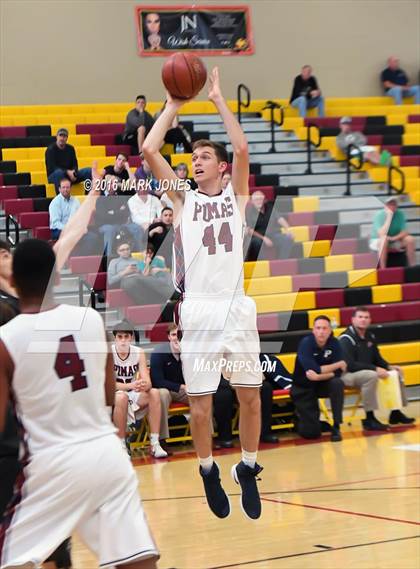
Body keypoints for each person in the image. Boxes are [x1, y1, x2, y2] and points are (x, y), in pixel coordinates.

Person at [143, 67, 264, 520]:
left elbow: (243, 146)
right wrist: (173, 103)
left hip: (236, 306)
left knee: (250, 396)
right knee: (200, 406)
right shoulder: (184, 200)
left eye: (204, 157)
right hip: (199, 309)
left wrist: (217, 98)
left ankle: (248, 468)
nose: (196, 161)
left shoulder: (235, 194)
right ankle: (209, 469)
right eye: (194, 158)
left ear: (221, 167)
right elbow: (149, 148)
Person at [0, 239, 159, 568]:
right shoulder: (91, 320)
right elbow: (106, 392)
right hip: (105, 453)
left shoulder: (6, 339)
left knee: (12, 559)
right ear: (58, 278)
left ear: (12, 281)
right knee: (137, 559)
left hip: (49, 463)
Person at [339, 306, 414, 429]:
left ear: (370, 320)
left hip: (365, 372)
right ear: (353, 320)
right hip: (347, 375)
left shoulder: (370, 336)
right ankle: (369, 418)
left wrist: (389, 366)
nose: (363, 320)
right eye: (360, 317)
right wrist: (374, 369)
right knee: (371, 376)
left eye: (366, 317)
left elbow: (377, 358)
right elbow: (350, 365)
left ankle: (395, 413)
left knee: (395, 373)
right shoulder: (346, 339)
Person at [112, 324, 168, 458]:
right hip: (114, 394)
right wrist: (131, 385)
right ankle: (121, 446)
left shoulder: (138, 352)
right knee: (121, 397)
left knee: (154, 393)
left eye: (126, 336)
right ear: (115, 339)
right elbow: (108, 384)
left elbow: (147, 381)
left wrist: (144, 385)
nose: (123, 340)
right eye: (120, 337)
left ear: (131, 338)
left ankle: (155, 444)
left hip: (132, 392)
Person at [291, 316, 346, 442]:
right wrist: (337, 364)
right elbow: (314, 369)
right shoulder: (306, 343)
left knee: (337, 383)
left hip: (322, 384)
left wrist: (320, 376)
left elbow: (338, 373)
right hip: (303, 387)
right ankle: (300, 419)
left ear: (330, 331)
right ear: (313, 330)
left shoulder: (334, 343)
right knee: (311, 434)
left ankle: (336, 426)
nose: (321, 331)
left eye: (325, 328)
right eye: (318, 328)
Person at [92, 179, 143, 255]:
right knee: (110, 229)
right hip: (104, 225)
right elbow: (103, 216)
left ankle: (140, 253)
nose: (113, 186)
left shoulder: (121, 198)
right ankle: (107, 257)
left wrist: (112, 212)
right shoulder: (100, 199)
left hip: (121, 224)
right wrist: (118, 212)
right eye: (111, 184)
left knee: (137, 228)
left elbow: (125, 213)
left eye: (115, 184)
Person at [245, 191, 294, 261]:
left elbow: (280, 219)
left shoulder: (270, 209)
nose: (258, 201)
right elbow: (249, 230)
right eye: (256, 199)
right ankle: (263, 263)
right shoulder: (249, 212)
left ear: (264, 200)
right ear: (252, 201)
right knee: (256, 242)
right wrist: (263, 238)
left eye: (260, 199)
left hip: (272, 234)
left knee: (288, 238)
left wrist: (288, 229)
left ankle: (282, 261)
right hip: (258, 236)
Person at [370, 196, 415, 268]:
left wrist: (393, 238)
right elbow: (381, 234)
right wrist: (389, 216)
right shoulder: (379, 215)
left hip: (394, 239)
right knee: (384, 239)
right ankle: (383, 268)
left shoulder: (400, 214)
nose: (392, 206)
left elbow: (405, 232)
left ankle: (412, 267)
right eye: (390, 204)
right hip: (378, 240)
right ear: (385, 206)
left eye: (394, 204)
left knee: (410, 239)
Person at [45, 128, 91, 194]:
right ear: (57, 137)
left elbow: (75, 164)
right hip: (54, 176)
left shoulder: (71, 148)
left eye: (64, 136)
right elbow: (52, 168)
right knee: (59, 173)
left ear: (67, 138)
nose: (62, 138)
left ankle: (88, 196)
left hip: (69, 175)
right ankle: (62, 200)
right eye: (60, 136)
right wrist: (67, 172)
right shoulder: (50, 149)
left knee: (89, 171)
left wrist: (74, 173)